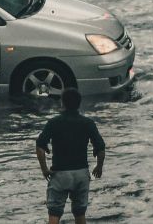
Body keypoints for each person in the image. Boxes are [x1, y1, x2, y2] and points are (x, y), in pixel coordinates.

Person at [35, 88, 106, 224]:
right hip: (81, 174)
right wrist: (99, 166)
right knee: (80, 214)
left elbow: (40, 146)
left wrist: (44, 168)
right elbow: (101, 147)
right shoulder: (88, 123)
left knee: (54, 215)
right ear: (79, 104)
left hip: (60, 174)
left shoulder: (54, 122)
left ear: (62, 103)